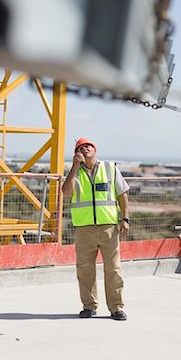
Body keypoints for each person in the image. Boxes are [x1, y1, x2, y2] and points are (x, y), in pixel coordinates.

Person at [62, 137, 130, 321]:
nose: (84, 149)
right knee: (85, 268)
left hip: (108, 227)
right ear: (76, 154)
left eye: (88, 146)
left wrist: (125, 219)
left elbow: (122, 194)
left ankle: (116, 308)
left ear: (95, 149)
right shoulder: (75, 173)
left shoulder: (109, 168)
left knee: (113, 269)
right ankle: (89, 306)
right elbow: (66, 192)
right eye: (80, 148)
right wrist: (74, 167)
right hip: (84, 229)